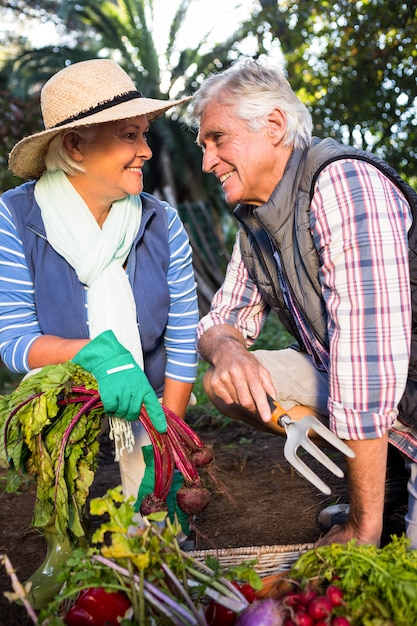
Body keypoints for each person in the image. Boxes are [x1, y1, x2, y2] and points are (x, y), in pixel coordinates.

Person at [188, 58, 417, 550]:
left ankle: (378, 502)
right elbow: (222, 318)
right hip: (389, 397)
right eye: (203, 146)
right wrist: (228, 350)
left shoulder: (342, 184)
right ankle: (389, 482)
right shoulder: (256, 217)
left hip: (396, 388)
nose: (207, 162)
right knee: (225, 383)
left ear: (273, 125)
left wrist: (361, 528)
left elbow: (367, 372)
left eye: (217, 139)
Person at [0, 58, 199, 606]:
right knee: (41, 402)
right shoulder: (16, 218)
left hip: (149, 402)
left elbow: (183, 335)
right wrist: (90, 353)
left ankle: (153, 502)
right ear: (75, 147)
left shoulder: (160, 222)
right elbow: (14, 340)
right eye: (129, 136)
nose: (147, 150)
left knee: (156, 546)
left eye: (145, 134)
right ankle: (59, 539)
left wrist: (169, 439)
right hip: (70, 401)